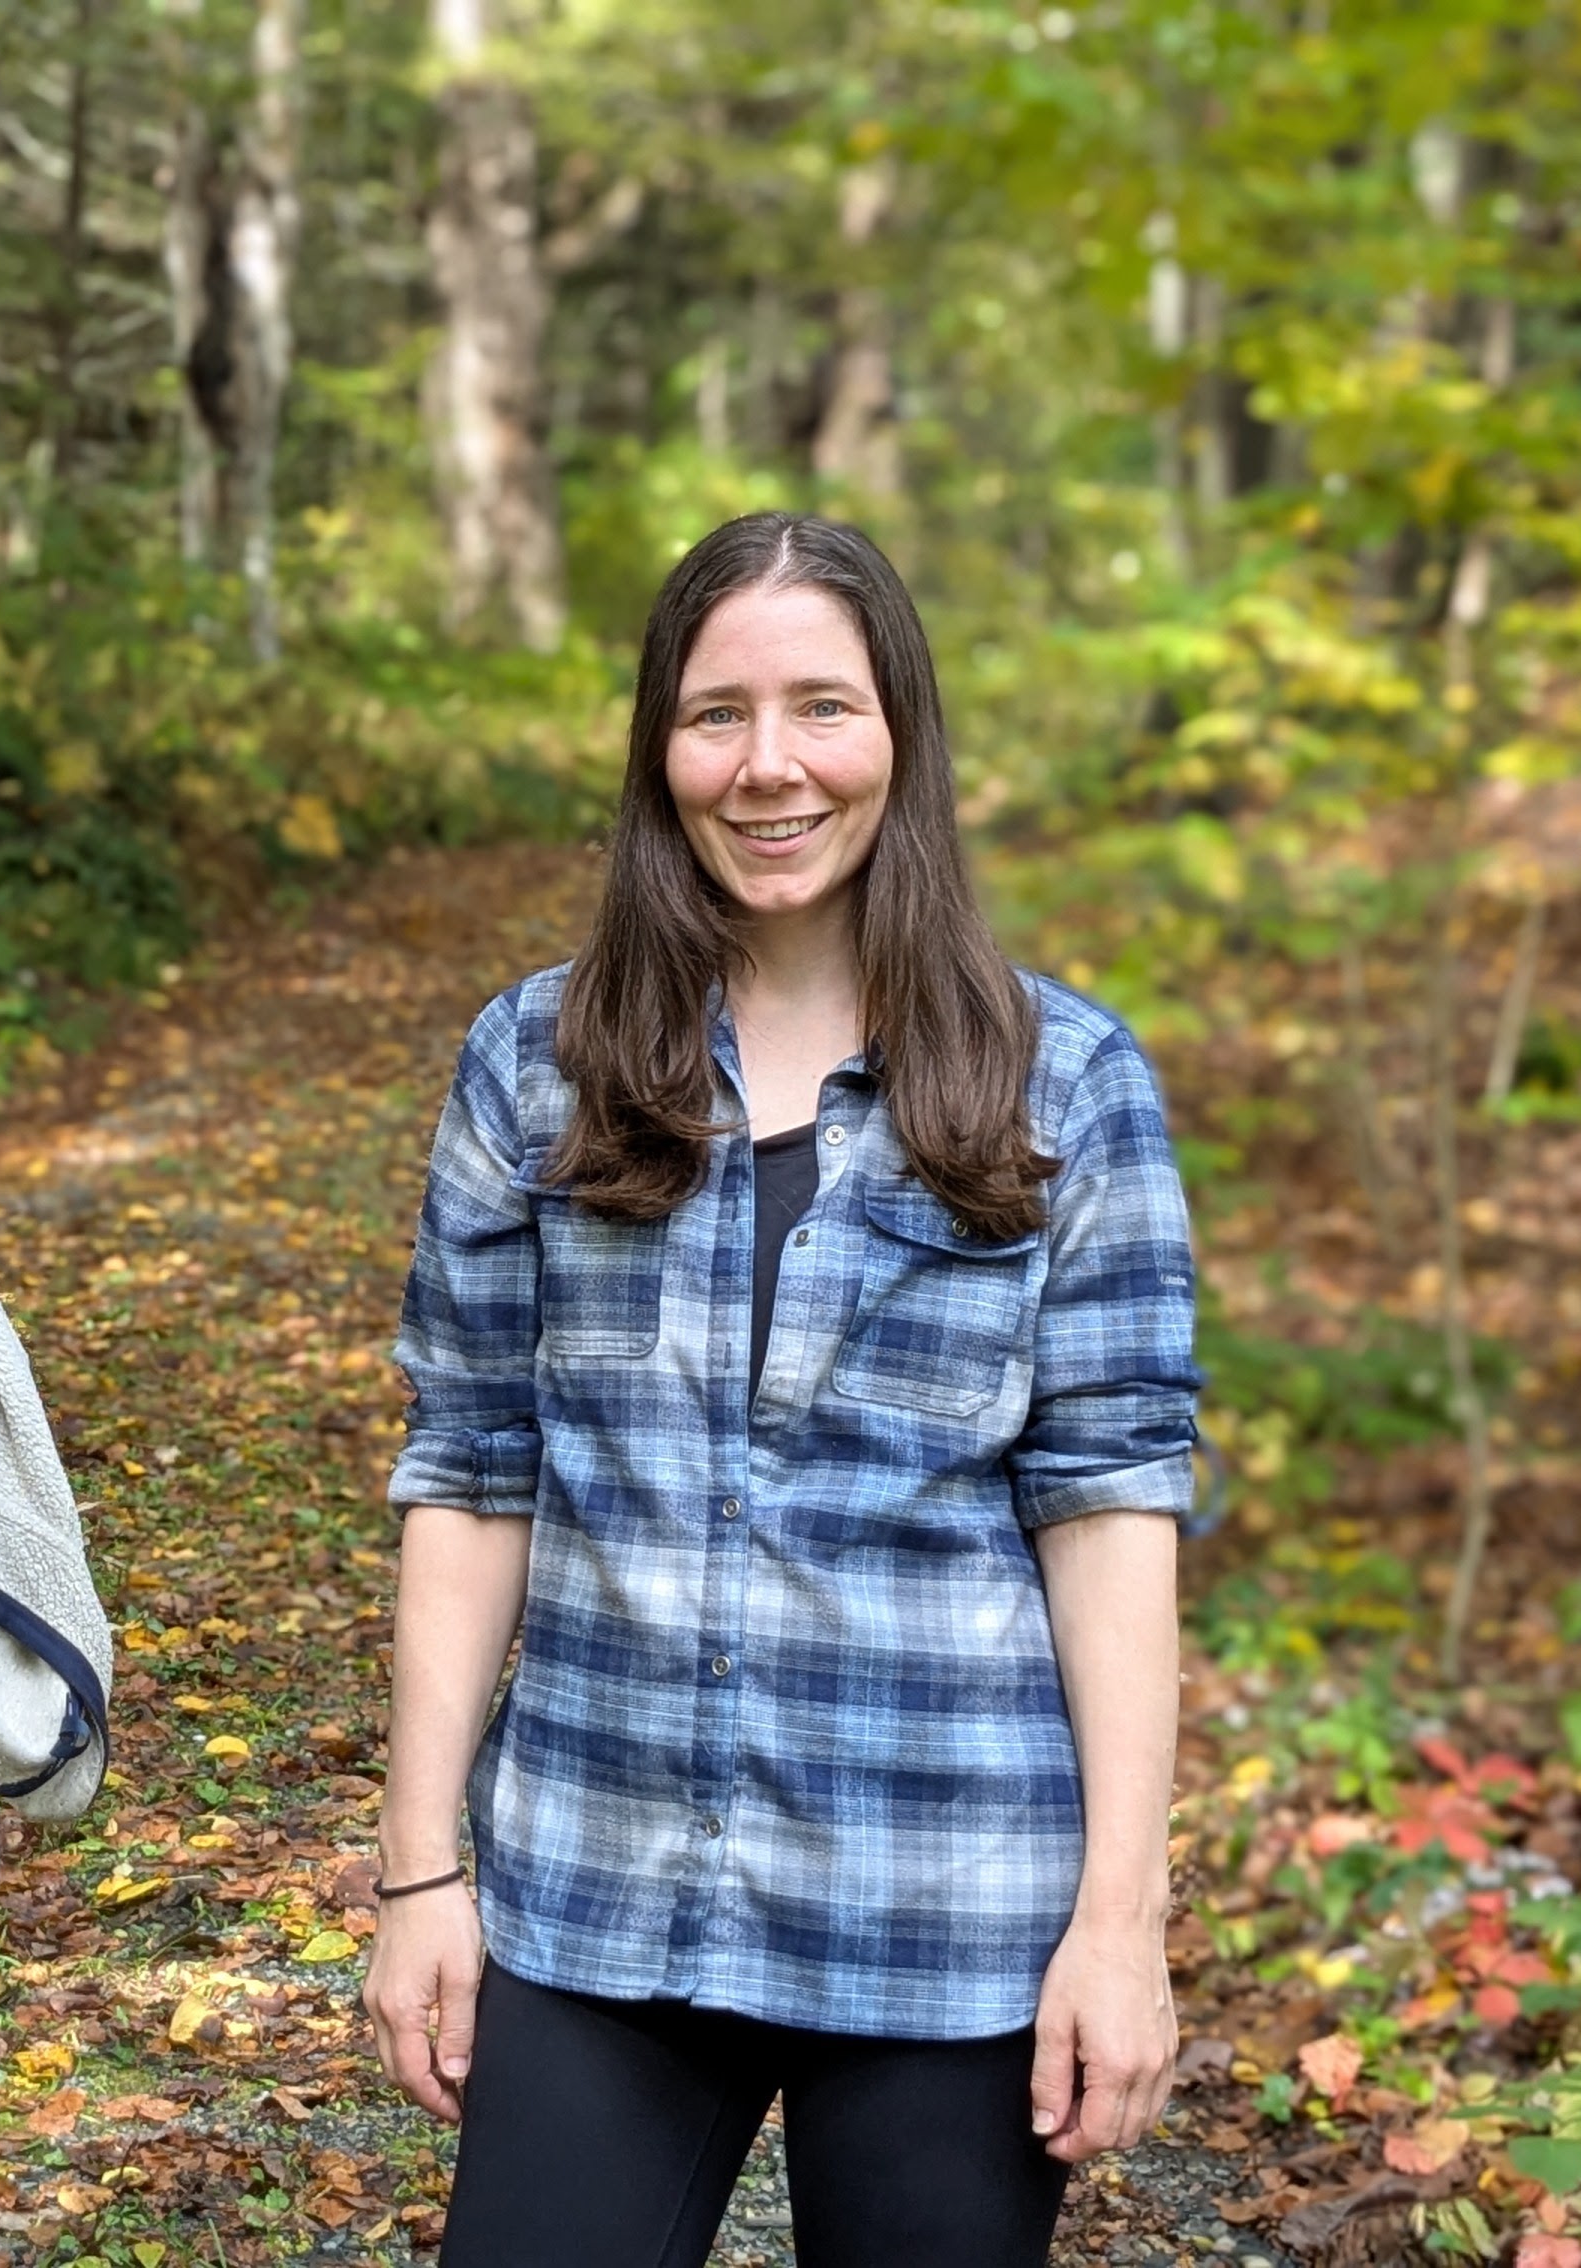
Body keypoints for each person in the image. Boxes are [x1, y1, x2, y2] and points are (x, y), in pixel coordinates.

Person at [360, 511, 1200, 2268]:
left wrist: (1120, 1922)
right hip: (598, 1896)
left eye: (822, 706)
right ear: (658, 749)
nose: (769, 766)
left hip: (948, 1914)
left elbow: (1112, 1507)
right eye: (716, 714)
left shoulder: (1069, 1083)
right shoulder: (538, 1062)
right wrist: (419, 1871)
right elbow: (473, 1471)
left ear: (900, 732)